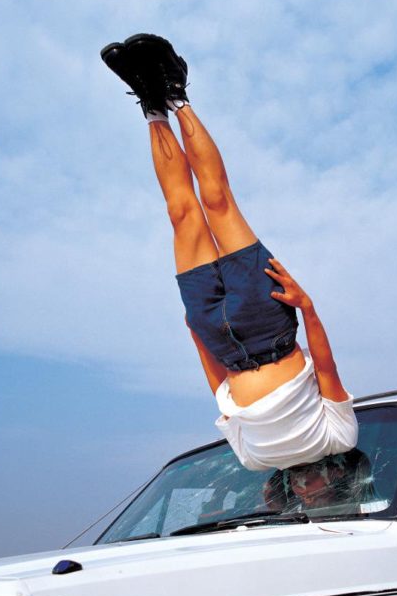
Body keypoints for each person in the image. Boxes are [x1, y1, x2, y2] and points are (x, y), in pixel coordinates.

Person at [100, 33, 358, 471]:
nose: (305, 490)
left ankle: (151, 104)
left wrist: (197, 333)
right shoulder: (340, 441)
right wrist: (307, 307)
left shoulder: (254, 462)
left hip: (220, 340)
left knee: (181, 213)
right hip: (268, 324)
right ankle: (176, 93)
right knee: (217, 203)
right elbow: (328, 370)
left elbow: (217, 389)